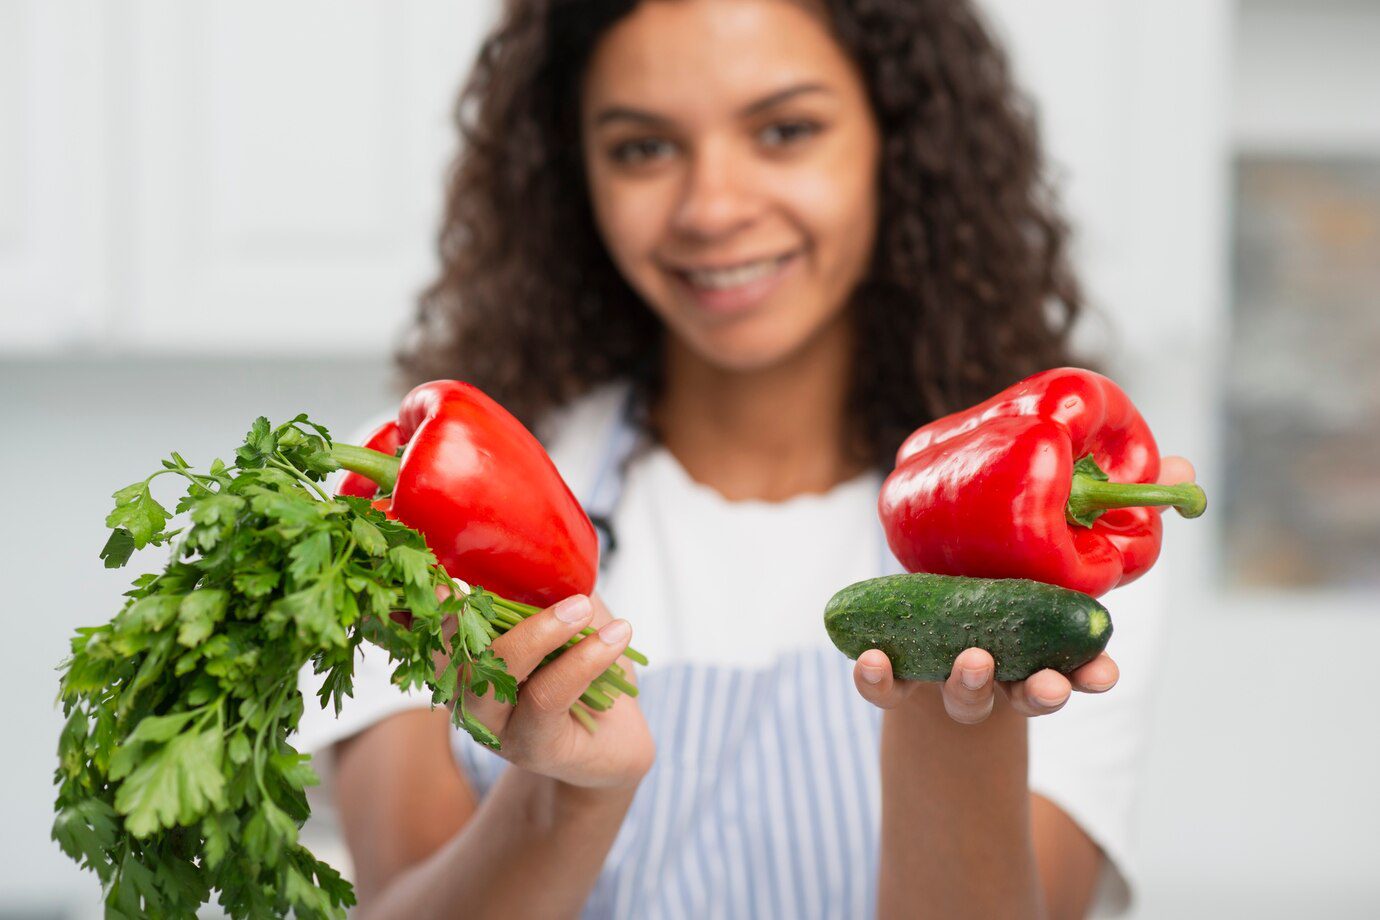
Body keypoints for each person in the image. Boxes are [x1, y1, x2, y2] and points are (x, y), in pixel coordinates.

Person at [295, 1, 1196, 917]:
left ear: (903, 140)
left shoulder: (1050, 528)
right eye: (643, 147)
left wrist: (956, 718)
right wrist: (568, 793)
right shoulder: (414, 485)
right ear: (573, 174)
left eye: (785, 130)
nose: (713, 208)